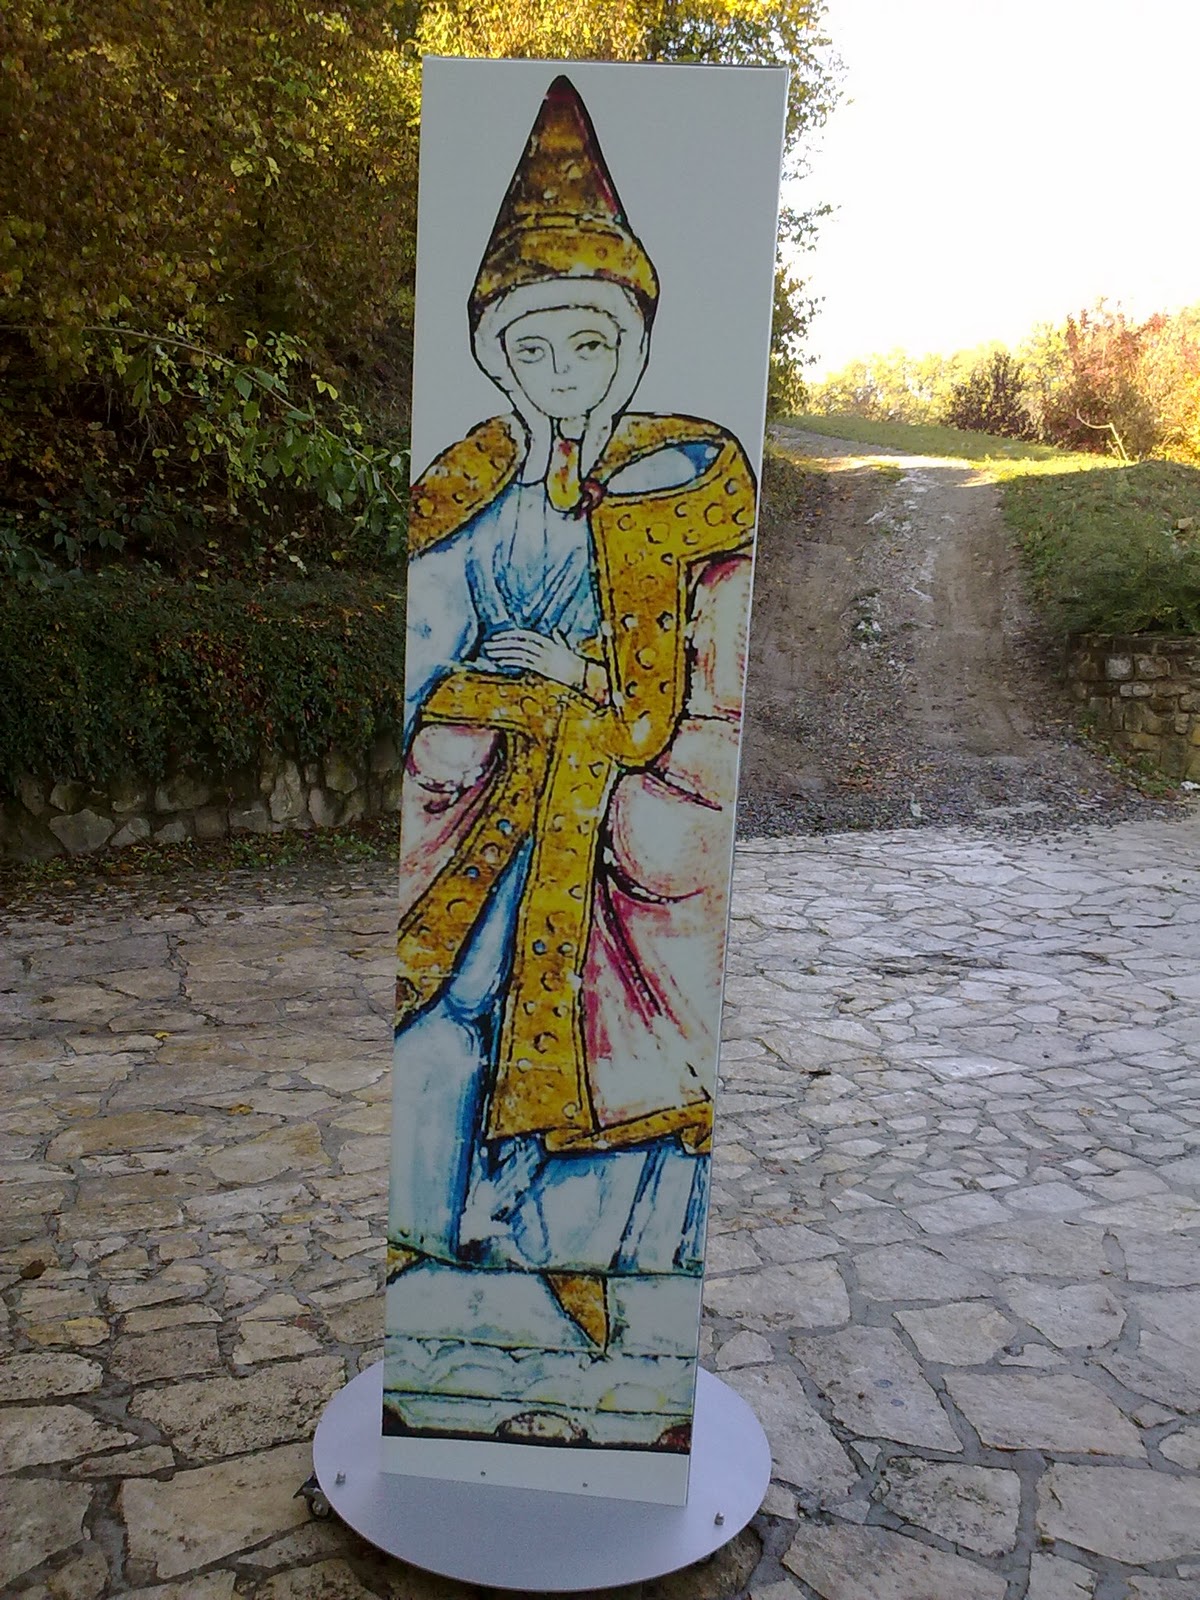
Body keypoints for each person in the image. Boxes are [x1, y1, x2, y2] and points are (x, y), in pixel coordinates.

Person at [386, 74, 757, 1449]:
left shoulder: (682, 491)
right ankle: (451, 1247)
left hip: (608, 826)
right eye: (533, 346)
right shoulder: (468, 491)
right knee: (456, 1022)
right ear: (498, 358)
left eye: (590, 343)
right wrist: (495, 694)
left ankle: (588, 1267)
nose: (563, 371)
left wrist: (580, 684)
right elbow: (430, 651)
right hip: (487, 806)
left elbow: (682, 698)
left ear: (630, 348)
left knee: (597, 1051)